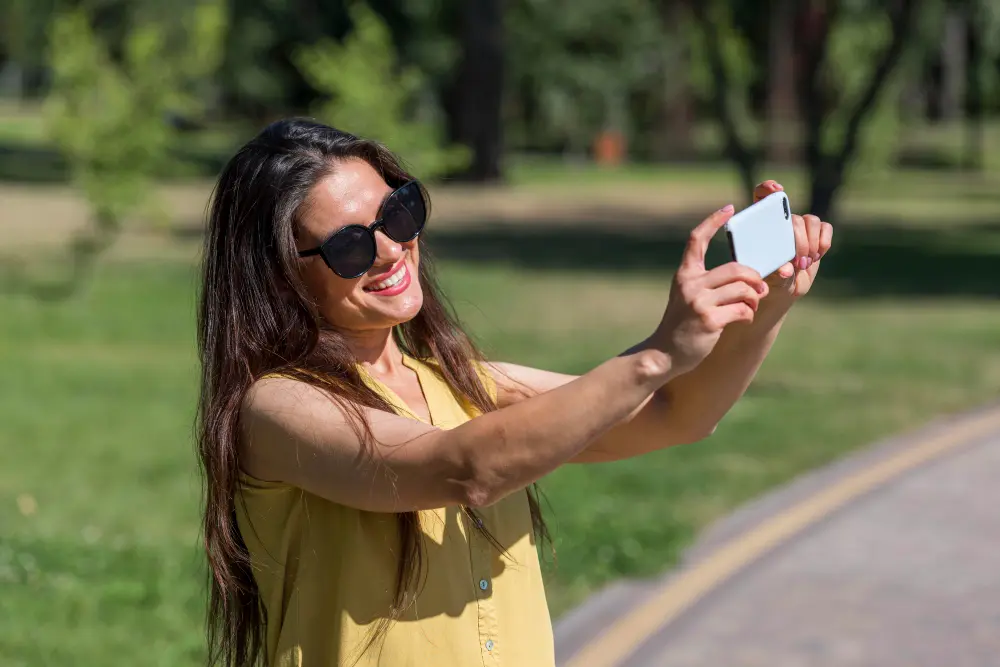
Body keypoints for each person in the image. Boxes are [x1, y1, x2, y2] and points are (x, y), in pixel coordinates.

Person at [196, 118, 833, 667]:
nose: (391, 250)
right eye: (350, 244)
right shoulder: (276, 408)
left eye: (399, 212)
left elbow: (677, 413)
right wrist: (657, 354)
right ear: (279, 274)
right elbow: (461, 468)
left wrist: (765, 306)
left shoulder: (467, 382)